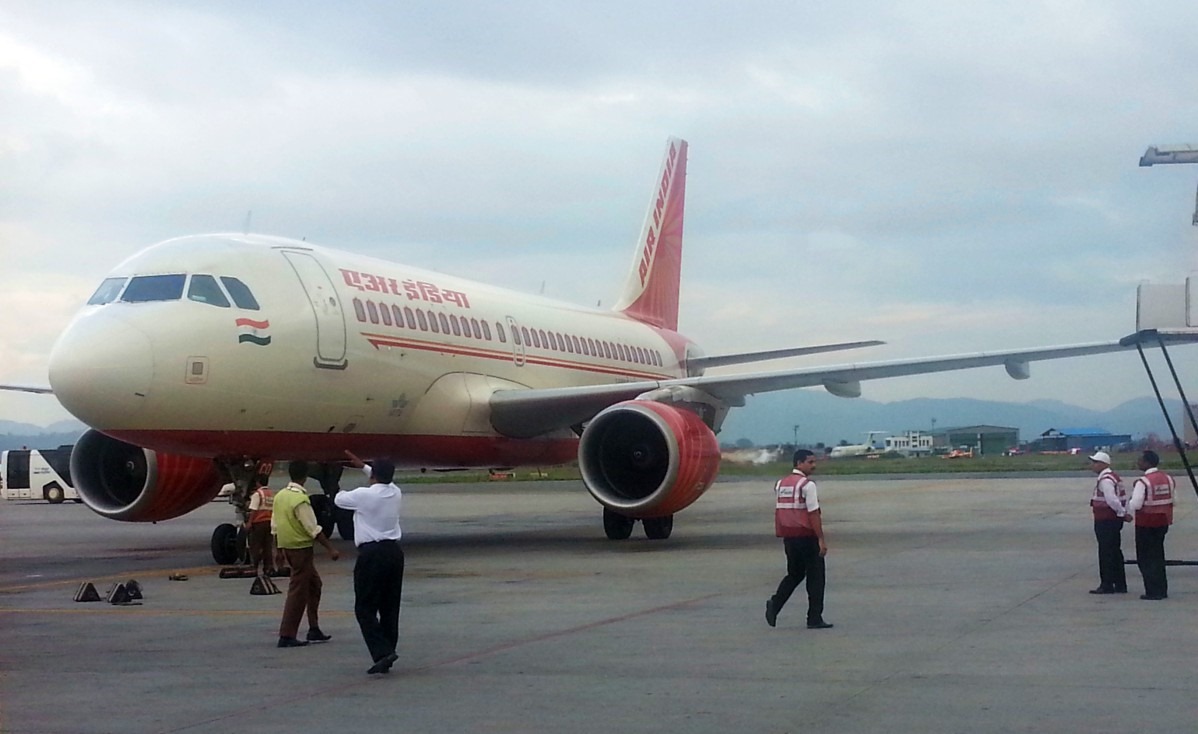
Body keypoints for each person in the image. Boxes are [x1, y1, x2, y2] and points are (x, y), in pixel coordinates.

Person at [337, 450, 405, 674]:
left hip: (372, 553)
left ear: (373, 476)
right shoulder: (394, 493)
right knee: (389, 607)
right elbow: (384, 481)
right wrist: (364, 467)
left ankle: (381, 651)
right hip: (394, 552)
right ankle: (388, 650)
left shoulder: (364, 495)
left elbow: (339, 499)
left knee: (364, 607)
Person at [272, 461, 340, 647]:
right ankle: (287, 635)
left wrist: (278, 551)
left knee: (314, 585)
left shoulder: (280, 496)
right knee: (297, 592)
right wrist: (330, 548)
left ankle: (314, 629)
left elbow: (275, 524)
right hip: (301, 549)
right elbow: (313, 528)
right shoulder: (300, 499)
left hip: (288, 547)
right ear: (305, 477)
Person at [765, 449, 832, 629]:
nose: (814, 465)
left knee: (794, 574)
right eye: (810, 462)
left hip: (789, 537)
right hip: (806, 537)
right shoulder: (807, 485)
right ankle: (814, 618)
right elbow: (813, 514)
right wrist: (821, 539)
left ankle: (775, 603)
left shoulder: (781, 484)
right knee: (816, 578)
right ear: (799, 463)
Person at [1127, 450, 1175, 600]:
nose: (1138, 462)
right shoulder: (1168, 478)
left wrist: (1129, 502)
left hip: (1146, 523)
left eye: (1140, 460)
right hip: (1163, 521)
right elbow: (1174, 499)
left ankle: (1152, 591)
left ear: (1147, 462)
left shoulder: (1143, 482)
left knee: (1146, 558)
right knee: (1158, 556)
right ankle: (1162, 589)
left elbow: (1136, 504)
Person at [1087, 451, 1128, 595]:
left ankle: (1107, 584)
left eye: (1095, 462)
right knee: (1115, 551)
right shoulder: (1114, 477)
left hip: (1106, 520)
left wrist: (1121, 512)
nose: (1092, 465)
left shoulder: (1105, 480)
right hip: (1113, 520)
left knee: (1106, 553)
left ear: (1103, 464)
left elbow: (1112, 500)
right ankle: (1120, 584)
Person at [244, 474, 275, 574]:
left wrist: (249, 522)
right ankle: (268, 567)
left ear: (258, 483)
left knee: (256, 545)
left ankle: (254, 566)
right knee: (267, 546)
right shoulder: (270, 493)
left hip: (259, 523)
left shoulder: (258, 494)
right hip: (269, 522)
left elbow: (254, 509)